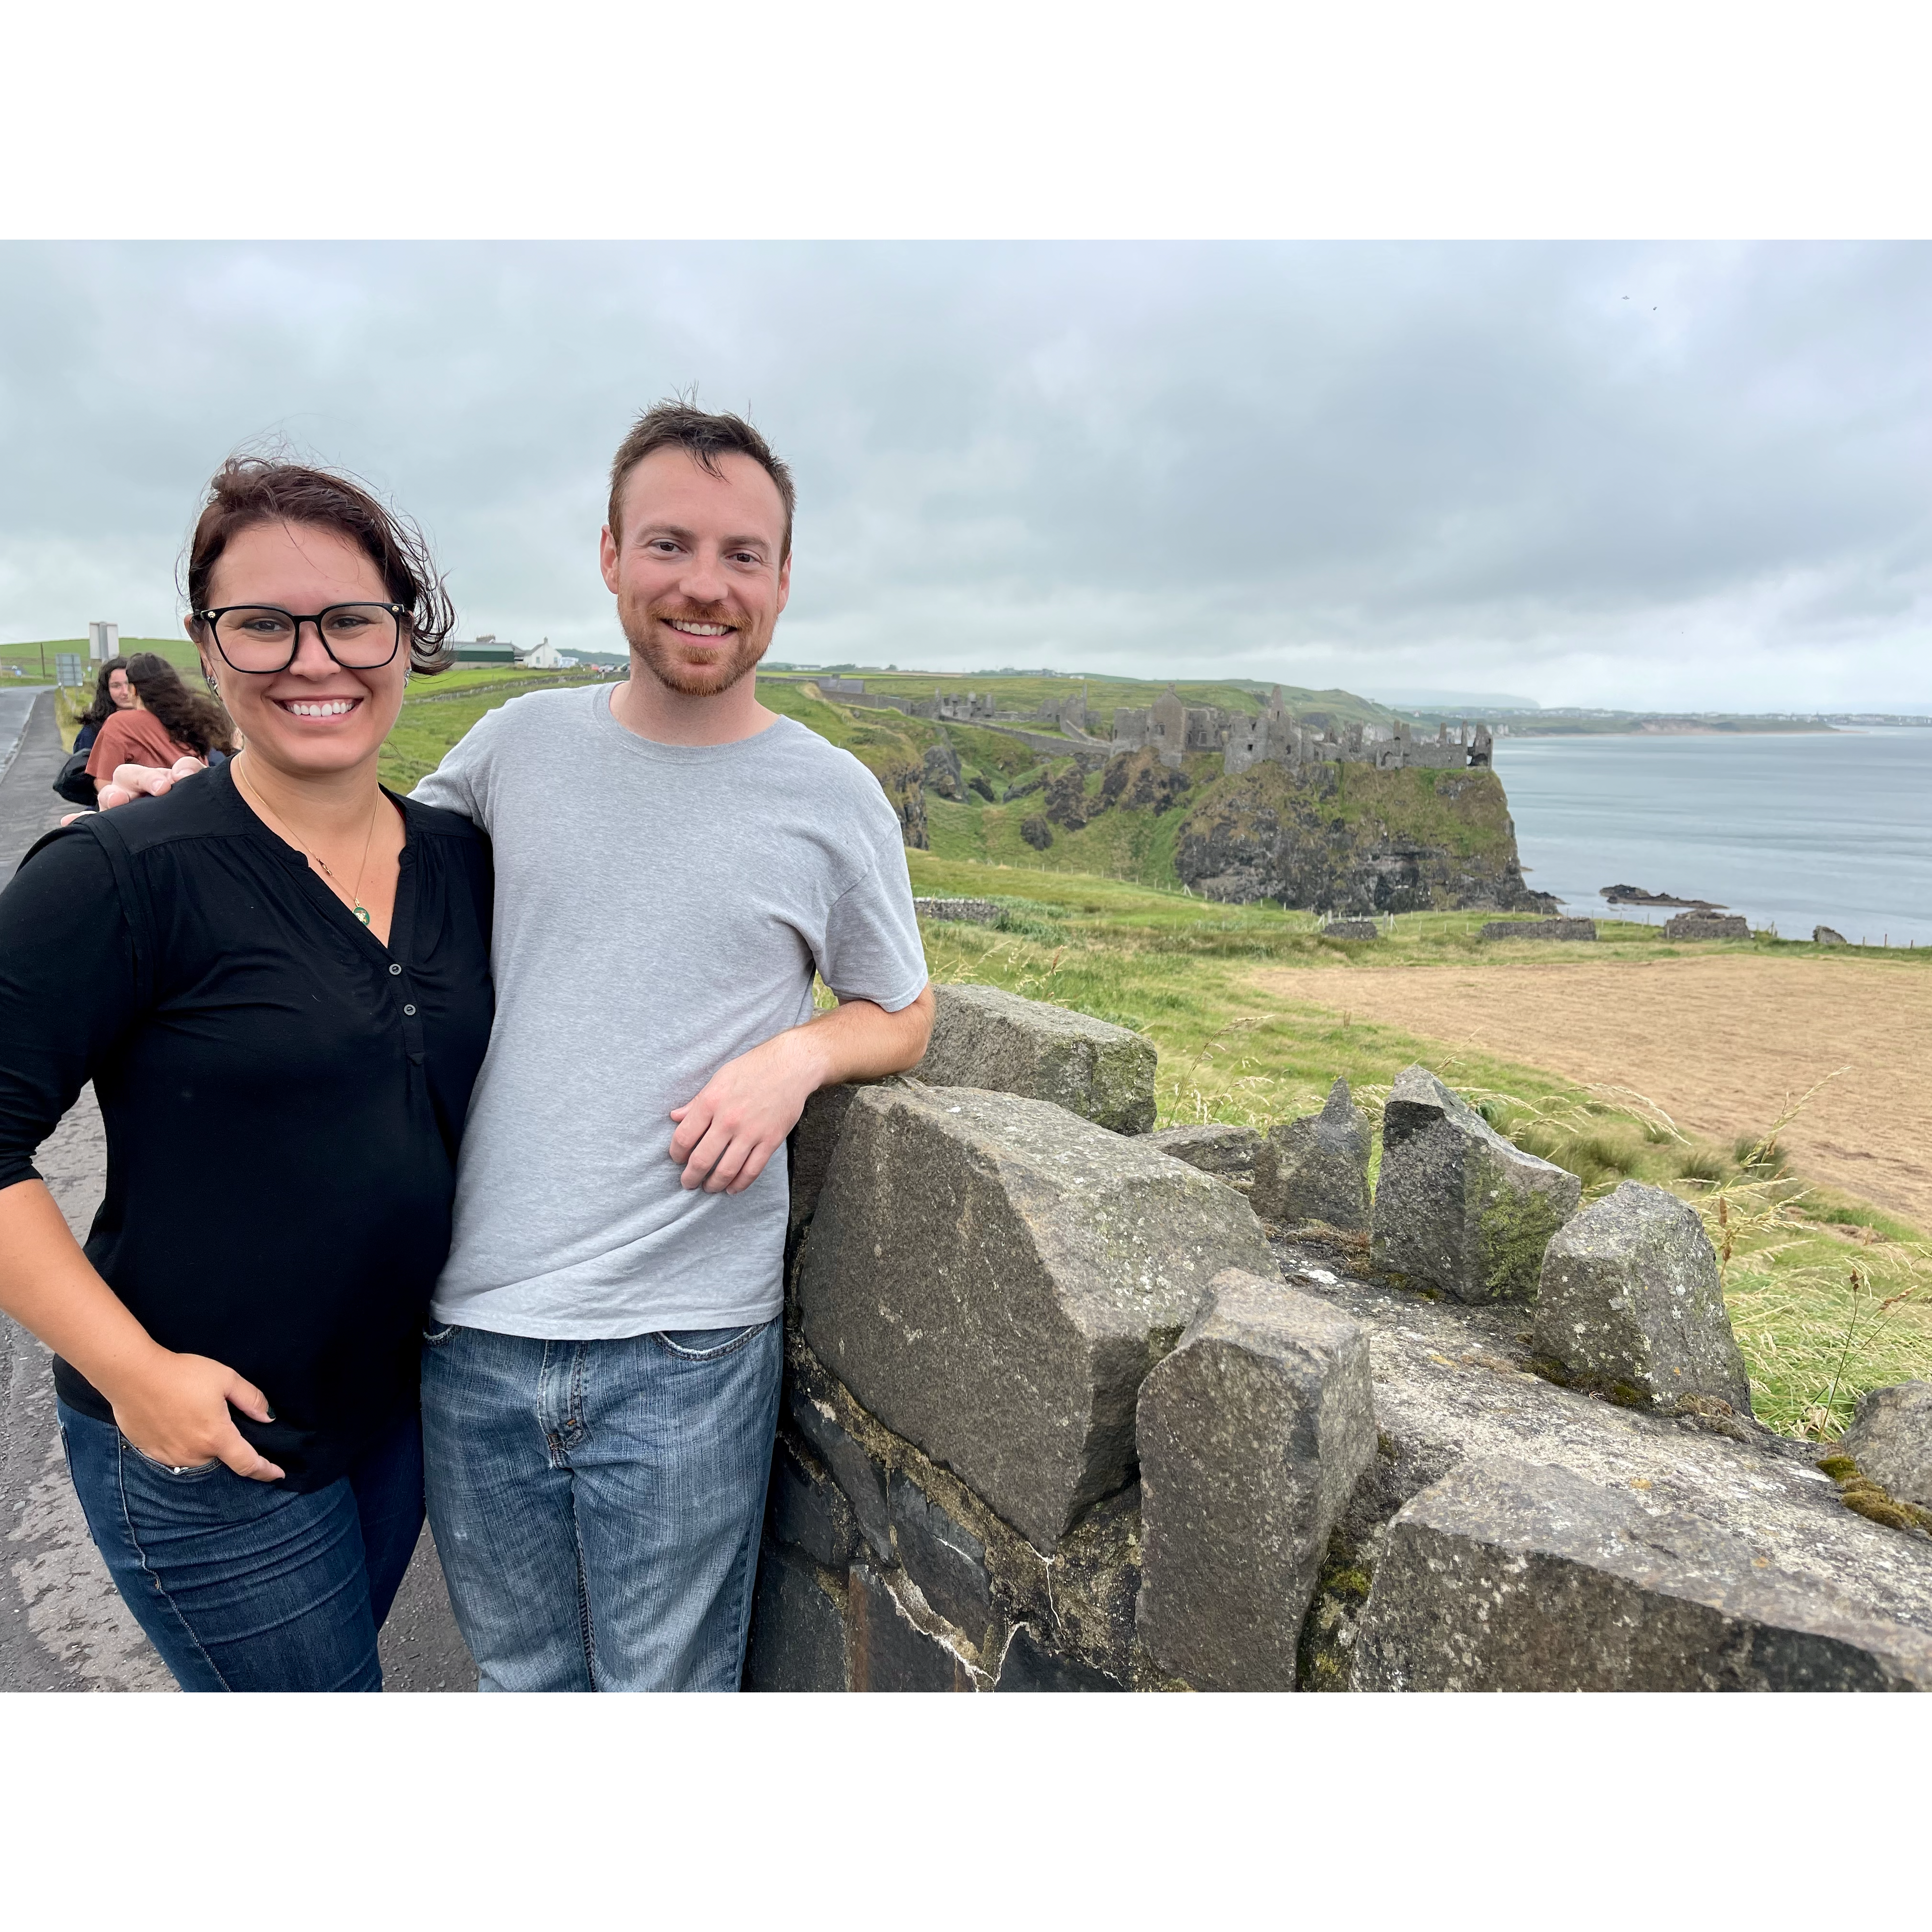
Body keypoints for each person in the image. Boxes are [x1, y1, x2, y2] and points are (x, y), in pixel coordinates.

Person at [409, 403, 934, 1691]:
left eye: (743, 555)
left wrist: (794, 1059)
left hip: (689, 1346)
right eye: (670, 544)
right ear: (609, 556)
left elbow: (902, 1010)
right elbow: (356, 887)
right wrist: (190, 805)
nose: (706, 585)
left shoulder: (831, 793)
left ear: (783, 580)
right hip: (473, 1324)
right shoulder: (512, 747)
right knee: (521, 1690)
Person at [0, 458, 494, 1692]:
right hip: (203, 1443)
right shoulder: (121, 875)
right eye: (263, 623)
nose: (313, 660)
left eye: (351, 620)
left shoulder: (462, 861)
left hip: (395, 1419)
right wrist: (137, 1379)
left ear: (405, 633)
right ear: (206, 648)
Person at [83, 651, 233, 795]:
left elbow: (106, 784)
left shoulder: (120, 724)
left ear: (134, 690)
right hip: (194, 803)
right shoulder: (189, 720)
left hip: (147, 813)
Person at [71, 657, 135, 755]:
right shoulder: (92, 732)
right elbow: (82, 768)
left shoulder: (157, 723)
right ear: (106, 690)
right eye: (116, 686)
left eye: (129, 684)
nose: (125, 692)